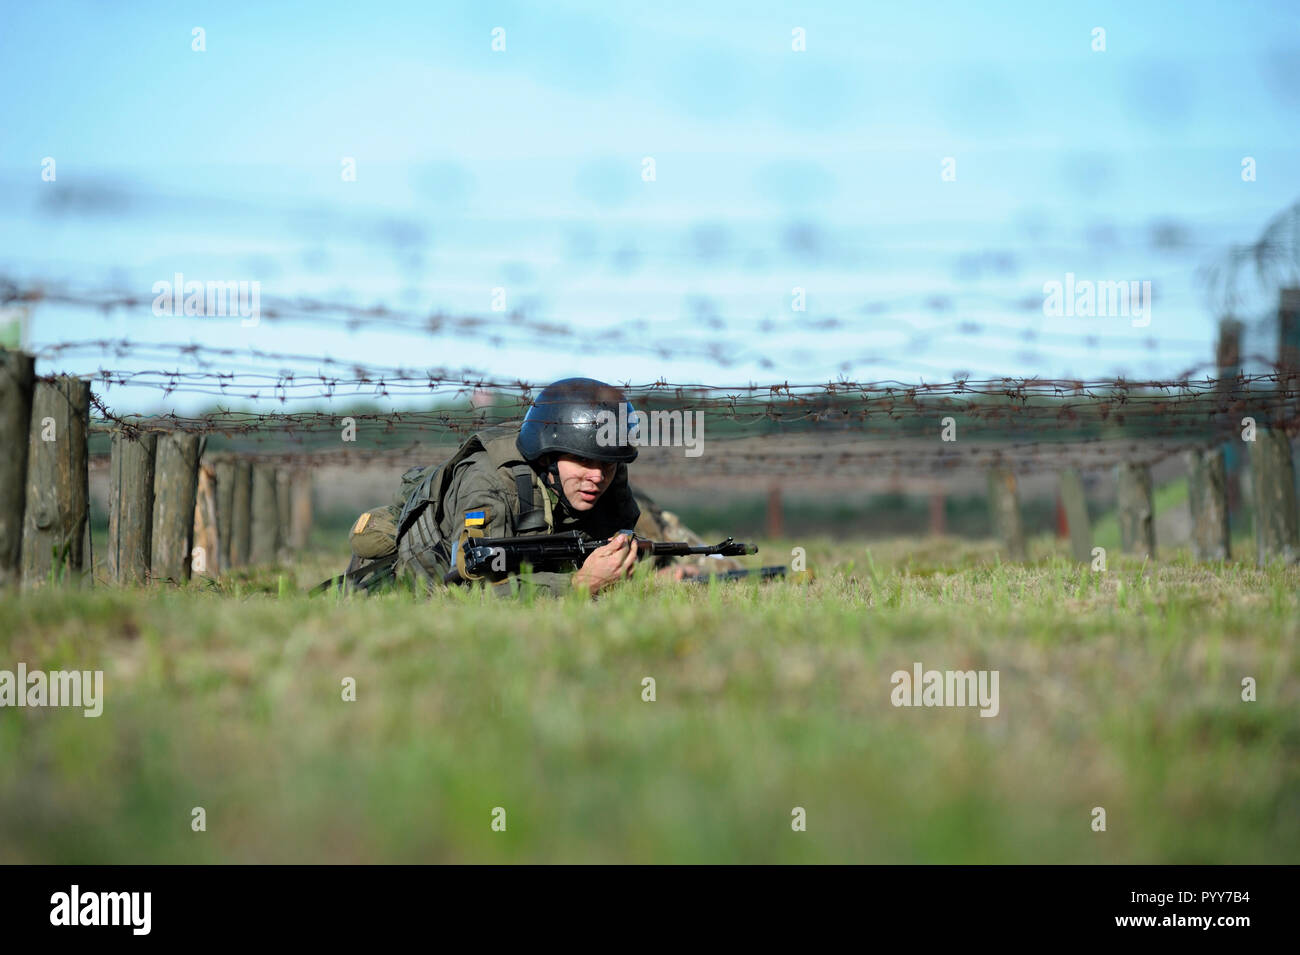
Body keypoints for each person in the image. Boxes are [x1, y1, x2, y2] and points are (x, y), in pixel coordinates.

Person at [349, 377, 681, 597]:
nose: (597, 475)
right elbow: (468, 590)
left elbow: (617, 542)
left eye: (606, 464)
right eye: (582, 461)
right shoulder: (491, 485)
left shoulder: (609, 468)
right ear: (548, 457)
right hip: (409, 581)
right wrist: (579, 586)